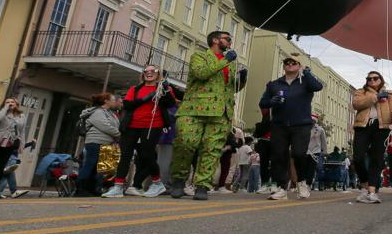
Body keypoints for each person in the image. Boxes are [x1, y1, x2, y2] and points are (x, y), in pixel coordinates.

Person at [170, 30, 243, 201]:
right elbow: (201, 73)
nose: (230, 42)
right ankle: (179, 180)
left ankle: (202, 185)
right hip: (194, 109)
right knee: (186, 144)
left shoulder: (230, 65)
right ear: (216, 40)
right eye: (227, 39)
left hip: (221, 112)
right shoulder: (199, 56)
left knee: (211, 150)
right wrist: (226, 60)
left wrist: (242, 80)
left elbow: (229, 89)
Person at [258, 53, 323, 200]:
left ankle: (301, 182)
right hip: (279, 125)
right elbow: (263, 102)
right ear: (284, 66)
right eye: (287, 62)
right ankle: (281, 188)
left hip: (301, 125)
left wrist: (307, 73)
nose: (290, 64)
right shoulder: (274, 84)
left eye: (294, 63)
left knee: (299, 154)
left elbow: (318, 87)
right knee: (279, 156)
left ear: (299, 66)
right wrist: (271, 102)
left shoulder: (305, 83)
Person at [106, 65, 176, 198]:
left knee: (147, 154)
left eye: (153, 71)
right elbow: (127, 104)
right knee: (125, 155)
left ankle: (157, 183)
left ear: (158, 74)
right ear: (143, 74)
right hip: (132, 125)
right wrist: (148, 97)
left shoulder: (164, 88)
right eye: (146, 71)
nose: (149, 73)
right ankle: (118, 186)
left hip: (152, 125)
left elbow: (171, 104)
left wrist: (164, 91)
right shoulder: (135, 89)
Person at [350, 73, 392, 204]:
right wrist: (375, 97)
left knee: (376, 158)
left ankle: (371, 192)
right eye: (369, 79)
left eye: (375, 78)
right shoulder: (361, 92)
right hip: (363, 126)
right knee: (358, 157)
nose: (372, 80)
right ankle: (365, 185)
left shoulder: (390, 94)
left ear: (381, 80)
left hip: (382, 127)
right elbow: (356, 104)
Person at [79, 93, 123, 197]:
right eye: (112, 100)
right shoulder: (98, 112)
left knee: (100, 169)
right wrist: (119, 134)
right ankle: (81, 188)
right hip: (95, 142)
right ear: (106, 101)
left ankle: (94, 189)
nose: (114, 102)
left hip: (107, 143)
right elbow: (105, 126)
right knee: (90, 165)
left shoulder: (110, 113)